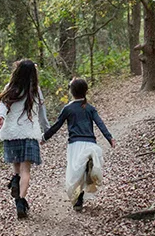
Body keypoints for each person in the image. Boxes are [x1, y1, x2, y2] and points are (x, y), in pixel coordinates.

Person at [43, 77, 115, 211]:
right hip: (90, 143)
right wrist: (109, 138)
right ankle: (89, 169)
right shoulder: (90, 108)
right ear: (85, 91)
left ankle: (78, 200)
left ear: (71, 92)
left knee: (75, 174)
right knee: (83, 170)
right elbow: (100, 123)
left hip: (75, 145)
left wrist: (45, 137)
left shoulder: (68, 109)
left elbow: (57, 125)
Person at [0, 58, 49, 219]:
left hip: (11, 134)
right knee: (26, 170)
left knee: (17, 166)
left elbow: (3, 106)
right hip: (28, 133)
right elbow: (42, 113)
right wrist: (46, 131)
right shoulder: (35, 90)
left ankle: (15, 180)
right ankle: (21, 201)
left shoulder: (10, 88)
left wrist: (1, 117)